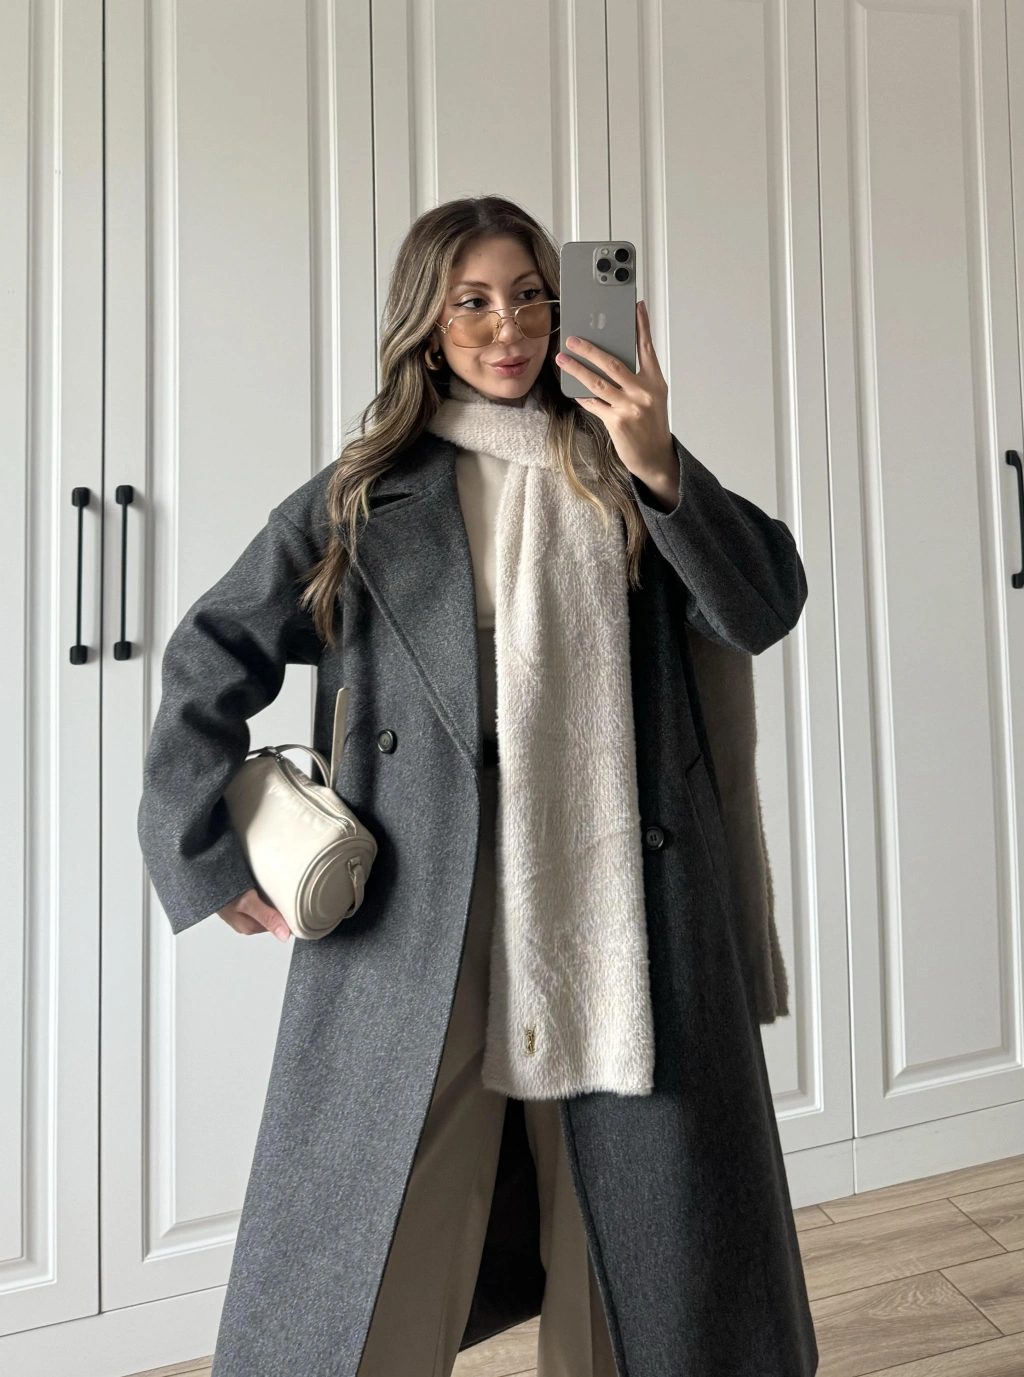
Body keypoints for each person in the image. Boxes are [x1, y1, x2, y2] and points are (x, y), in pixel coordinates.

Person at [138, 194, 818, 1377]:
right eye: (473, 302)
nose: (507, 327)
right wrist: (201, 849)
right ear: (428, 325)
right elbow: (212, 648)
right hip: (422, 894)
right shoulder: (368, 492)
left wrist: (658, 462)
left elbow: (762, 605)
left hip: (618, 887)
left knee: (622, 1215)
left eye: (530, 296)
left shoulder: (620, 460)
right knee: (379, 1209)